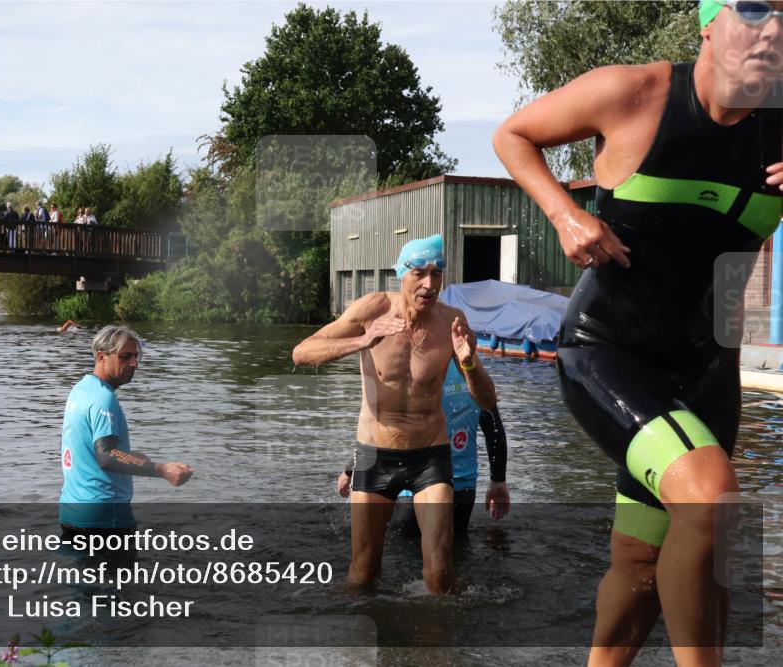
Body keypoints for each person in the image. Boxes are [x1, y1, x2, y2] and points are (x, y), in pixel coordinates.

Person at [492, 1, 782, 663]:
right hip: (606, 350)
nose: (772, 31)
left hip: (708, 368)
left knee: (647, 564)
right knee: (709, 498)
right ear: (709, 21)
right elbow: (513, 135)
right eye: (755, 9)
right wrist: (564, 214)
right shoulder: (634, 94)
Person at [292, 234, 496, 594]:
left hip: (430, 455)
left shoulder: (452, 321)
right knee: (362, 574)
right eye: (419, 273)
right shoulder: (373, 308)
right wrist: (364, 340)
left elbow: (487, 401)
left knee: (440, 574)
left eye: (437, 274)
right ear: (402, 273)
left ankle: (439, 648)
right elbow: (302, 352)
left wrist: (468, 363)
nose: (429, 284)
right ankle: (355, 647)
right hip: (374, 455)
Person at [336, 359, 510, 536]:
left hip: (416, 489)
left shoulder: (417, 371)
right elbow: (494, 429)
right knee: (453, 555)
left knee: (401, 555)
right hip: (463, 491)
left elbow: (384, 428)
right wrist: (498, 481)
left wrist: (350, 469)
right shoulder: (474, 372)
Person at [59, 325, 193, 552]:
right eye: (125, 357)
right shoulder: (104, 399)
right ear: (102, 357)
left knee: (82, 584)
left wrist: (131, 457)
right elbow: (107, 456)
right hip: (104, 519)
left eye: (135, 356)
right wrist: (161, 469)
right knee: (120, 585)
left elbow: (88, 451)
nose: (134, 363)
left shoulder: (80, 390)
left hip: (72, 514)